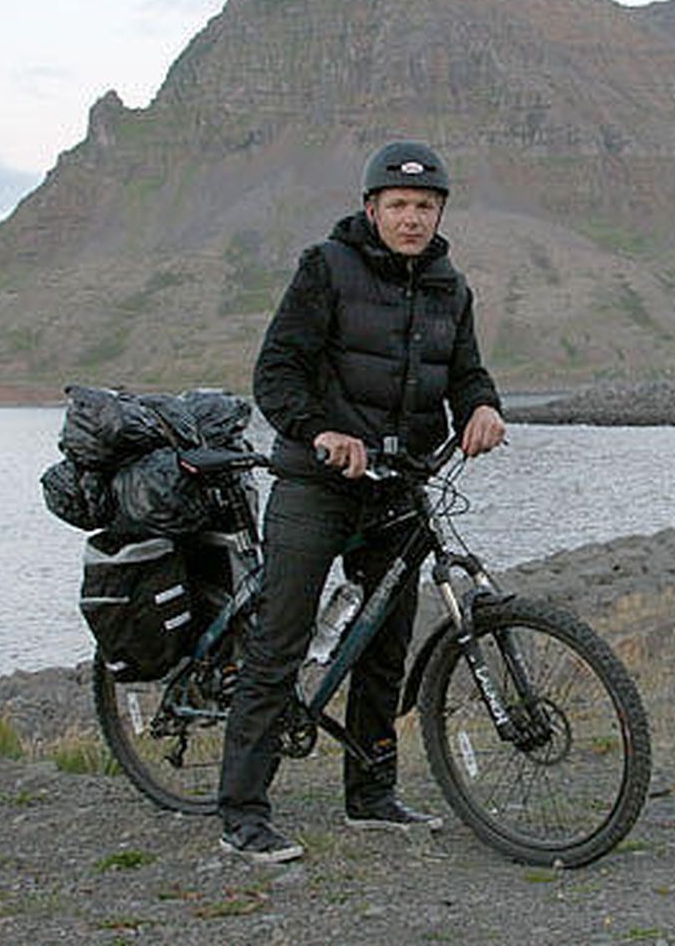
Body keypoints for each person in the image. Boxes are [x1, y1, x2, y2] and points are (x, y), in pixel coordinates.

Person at [217, 141, 506, 863]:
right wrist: (322, 432)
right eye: (399, 205)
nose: (412, 218)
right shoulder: (326, 267)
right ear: (371, 207)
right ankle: (242, 814)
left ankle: (371, 797)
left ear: (440, 212)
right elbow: (276, 372)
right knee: (280, 639)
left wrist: (483, 406)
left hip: (399, 484)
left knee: (383, 645)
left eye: (425, 206)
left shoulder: (450, 286)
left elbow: (465, 372)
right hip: (319, 481)